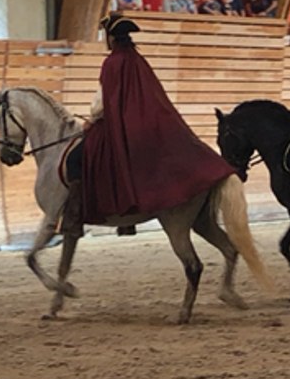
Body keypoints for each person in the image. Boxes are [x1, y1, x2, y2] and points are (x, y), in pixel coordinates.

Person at [62, 16, 235, 233]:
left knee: (76, 159)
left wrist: (92, 120)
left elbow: (103, 100)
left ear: (111, 38)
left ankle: (75, 218)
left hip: (119, 126)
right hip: (144, 127)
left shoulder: (112, 62)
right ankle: (128, 221)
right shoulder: (138, 60)